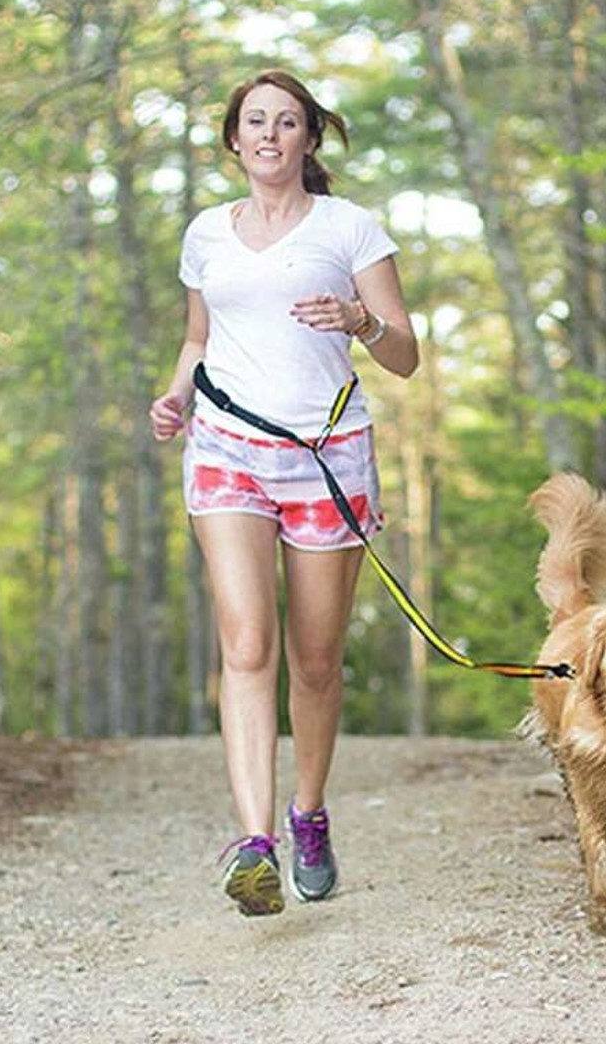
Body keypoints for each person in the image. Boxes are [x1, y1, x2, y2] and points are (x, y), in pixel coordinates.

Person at [150, 70, 420, 916]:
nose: (269, 134)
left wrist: (360, 324)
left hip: (327, 456)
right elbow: (198, 338)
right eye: (255, 122)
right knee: (245, 644)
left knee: (313, 659)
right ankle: (254, 842)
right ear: (234, 139)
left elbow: (406, 354)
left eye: (287, 122)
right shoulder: (205, 233)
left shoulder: (350, 228)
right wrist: (175, 395)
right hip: (226, 451)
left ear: (310, 139)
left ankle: (307, 815)